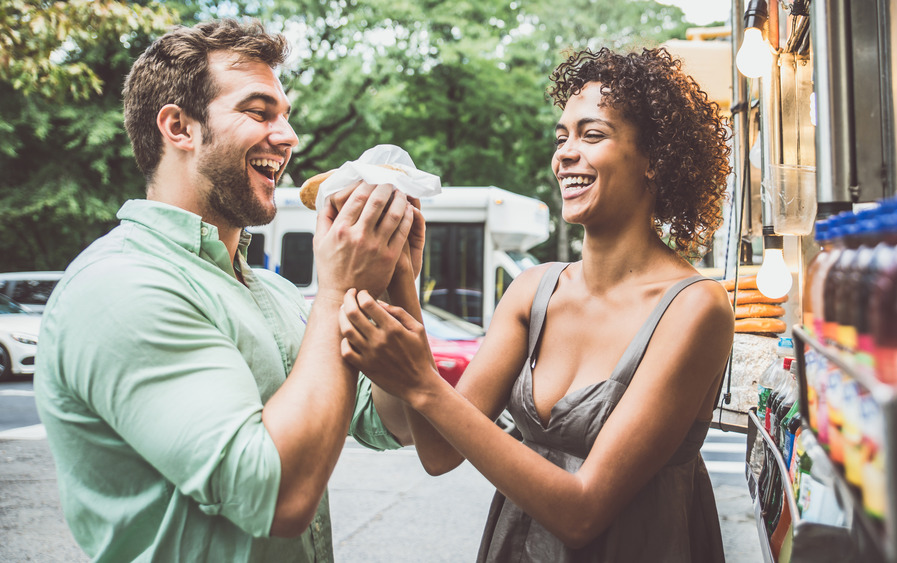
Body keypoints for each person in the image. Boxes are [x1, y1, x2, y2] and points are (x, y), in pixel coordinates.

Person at [34, 19, 417, 562]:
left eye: (286, 117)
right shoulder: (120, 286)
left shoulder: (276, 295)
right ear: (179, 127)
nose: (288, 137)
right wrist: (337, 290)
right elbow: (280, 496)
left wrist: (398, 278)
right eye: (259, 112)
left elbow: (397, 423)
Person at [337, 46, 735, 562]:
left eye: (592, 134)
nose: (565, 153)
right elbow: (438, 453)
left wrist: (422, 383)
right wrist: (402, 279)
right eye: (562, 136)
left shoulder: (694, 308)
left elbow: (582, 512)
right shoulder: (533, 291)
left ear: (654, 160)